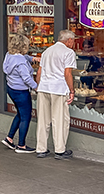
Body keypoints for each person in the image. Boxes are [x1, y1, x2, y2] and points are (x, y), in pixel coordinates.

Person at [35, 29, 78, 159]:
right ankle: (60, 150)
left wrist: (39, 86)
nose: (73, 43)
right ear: (69, 40)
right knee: (59, 120)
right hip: (58, 89)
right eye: (73, 40)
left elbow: (39, 73)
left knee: (43, 120)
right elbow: (67, 74)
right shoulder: (68, 52)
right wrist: (72, 90)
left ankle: (41, 148)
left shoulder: (47, 51)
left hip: (44, 88)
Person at [2, 34, 40, 154]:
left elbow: (22, 57)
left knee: (20, 113)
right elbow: (27, 79)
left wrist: (32, 58)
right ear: (24, 46)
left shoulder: (9, 55)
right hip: (21, 92)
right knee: (26, 117)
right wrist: (36, 87)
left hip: (11, 89)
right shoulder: (21, 63)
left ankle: (9, 138)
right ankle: (21, 145)